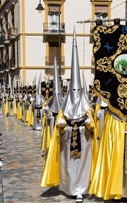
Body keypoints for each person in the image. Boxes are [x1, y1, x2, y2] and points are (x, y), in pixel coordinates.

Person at [41, 30, 96, 203]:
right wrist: (62, 124)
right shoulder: (64, 107)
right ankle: (69, 187)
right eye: (73, 90)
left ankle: (82, 188)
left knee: (82, 165)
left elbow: (93, 126)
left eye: (77, 90)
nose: (75, 93)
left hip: (84, 142)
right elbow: (59, 123)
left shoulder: (87, 106)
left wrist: (88, 123)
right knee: (69, 165)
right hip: (68, 141)